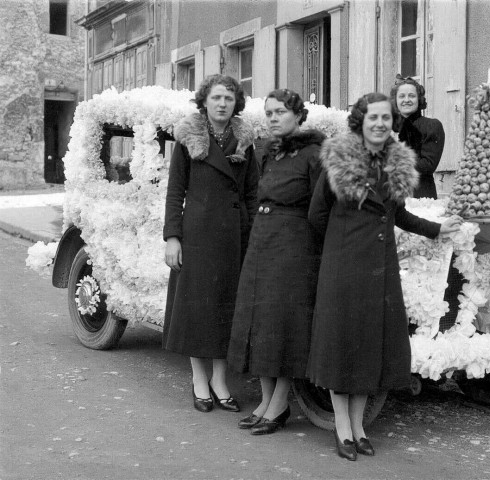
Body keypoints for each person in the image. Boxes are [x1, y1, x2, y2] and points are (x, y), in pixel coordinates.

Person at [307, 93, 462, 461]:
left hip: (380, 268)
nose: (380, 124)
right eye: (373, 117)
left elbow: (400, 216)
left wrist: (437, 230)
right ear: (360, 121)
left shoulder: (395, 165)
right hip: (344, 267)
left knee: (368, 347)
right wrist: (342, 246)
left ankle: (359, 425)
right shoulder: (337, 161)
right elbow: (317, 216)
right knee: (342, 345)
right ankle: (342, 426)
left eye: (386, 118)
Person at [228, 89, 325, 435]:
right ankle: (266, 401)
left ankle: (279, 403)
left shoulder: (315, 154)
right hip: (263, 242)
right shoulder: (267, 152)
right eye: (268, 112)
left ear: (299, 116)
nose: (273, 117)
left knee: (283, 325)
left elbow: (320, 206)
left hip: (294, 246)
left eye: (281, 111)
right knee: (260, 321)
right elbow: (257, 194)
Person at [163, 74, 259, 413]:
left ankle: (220, 379)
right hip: (198, 235)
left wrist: (251, 235)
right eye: (217, 97)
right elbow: (175, 191)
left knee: (225, 309)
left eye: (228, 99)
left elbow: (251, 193)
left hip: (234, 236)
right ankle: (199, 379)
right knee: (198, 308)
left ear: (236, 105)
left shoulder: (246, 141)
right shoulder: (188, 138)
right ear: (204, 101)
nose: (222, 104)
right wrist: (173, 237)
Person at [391, 75, 445, 199]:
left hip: (420, 197)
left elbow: (427, 165)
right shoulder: (389, 128)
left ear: (419, 99)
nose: (406, 100)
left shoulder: (431, 126)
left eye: (412, 96)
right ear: (395, 101)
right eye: (402, 96)